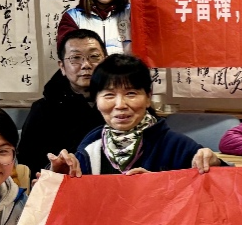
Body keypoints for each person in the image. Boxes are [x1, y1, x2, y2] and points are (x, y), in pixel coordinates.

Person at [48, 55, 222, 176]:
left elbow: (219, 188)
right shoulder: (90, 147)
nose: (120, 105)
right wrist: (57, 175)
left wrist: (215, 164)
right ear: (96, 100)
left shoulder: (176, 146)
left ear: (148, 97)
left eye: (131, 93)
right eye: (109, 95)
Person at [16, 29, 107, 178]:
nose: (86, 65)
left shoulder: (120, 104)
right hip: (63, 184)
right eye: (75, 58)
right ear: (62, 67)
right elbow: (28, 160)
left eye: (94, 56)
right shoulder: (44, 109)